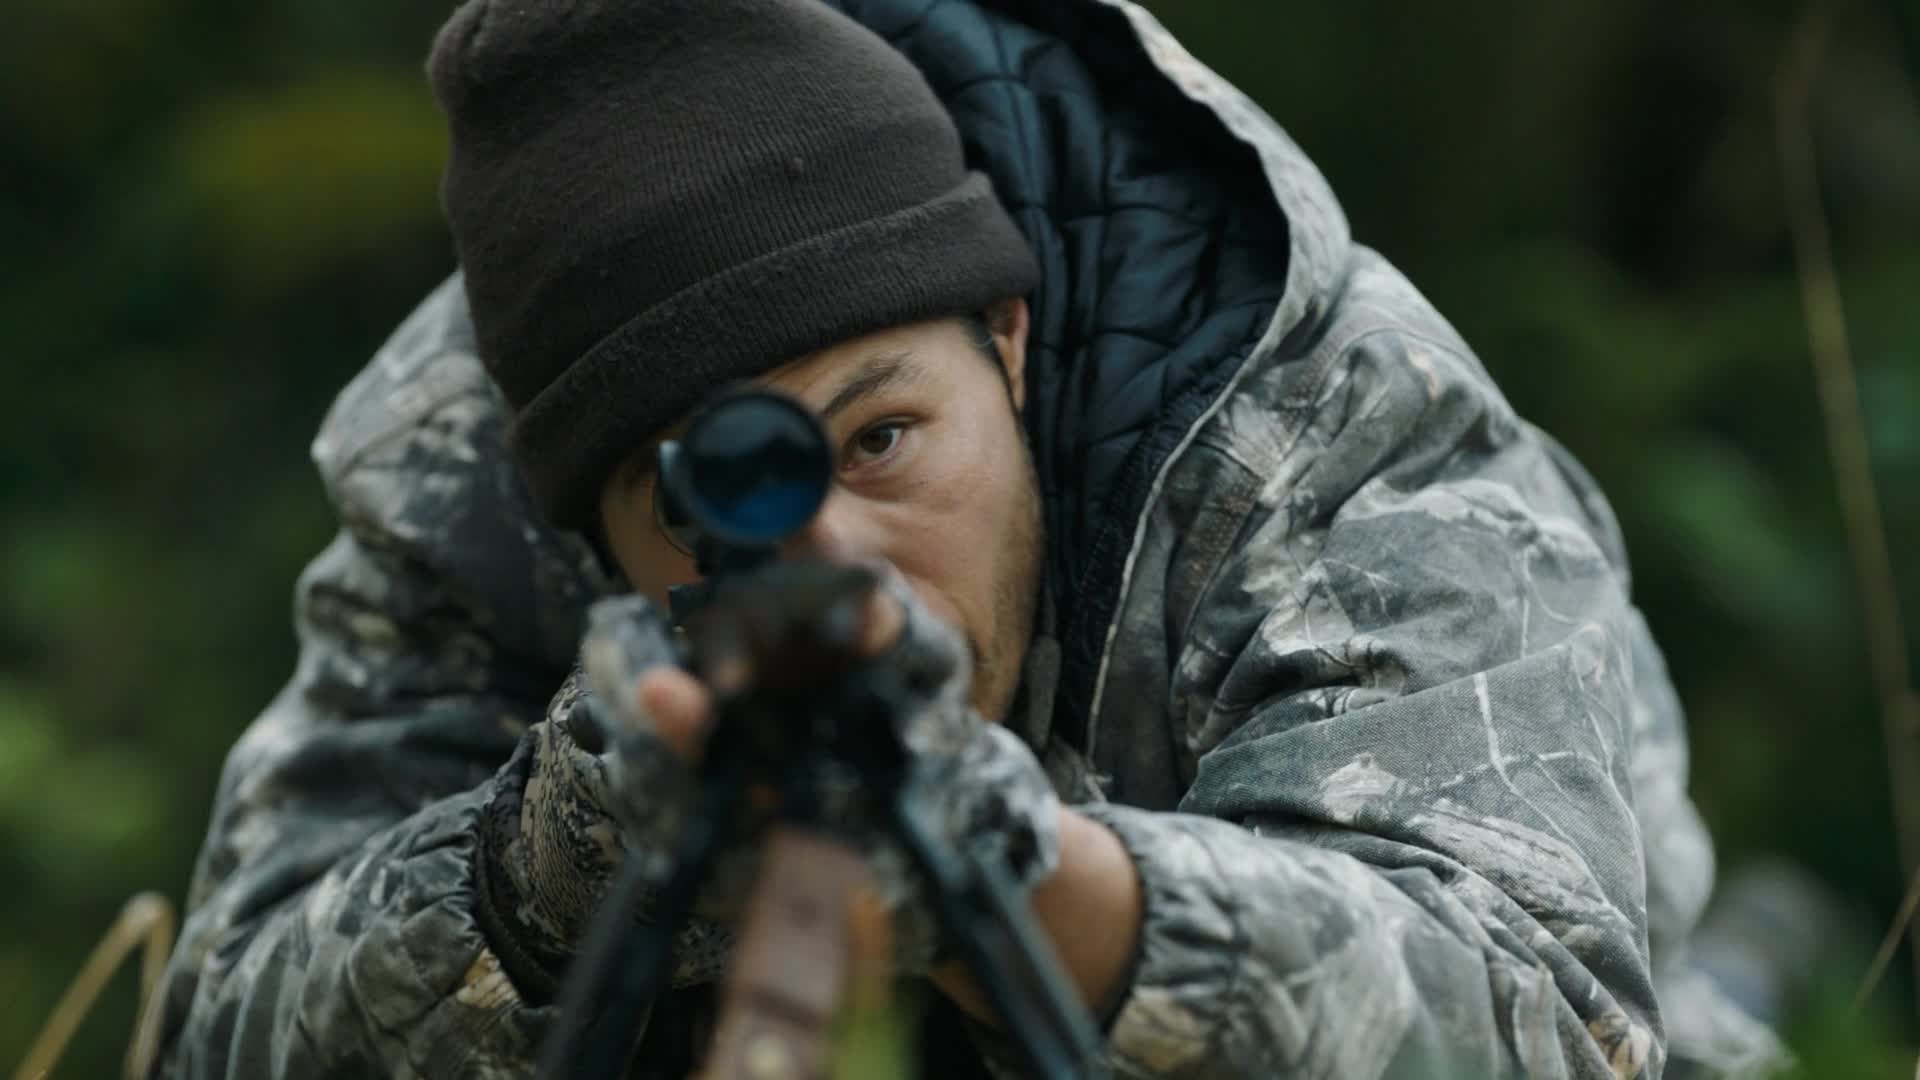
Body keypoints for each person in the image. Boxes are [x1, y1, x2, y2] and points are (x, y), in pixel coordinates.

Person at [149, 0, 1789, 1076]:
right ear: (585, 523)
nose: (831, 557)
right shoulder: (471, 492)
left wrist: (1009, 871)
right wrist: (537, 878)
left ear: (1007, 337)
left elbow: (1542, 1024)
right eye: (713, 501)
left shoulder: (1320, 426)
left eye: (880, 438)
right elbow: (218, 1025)